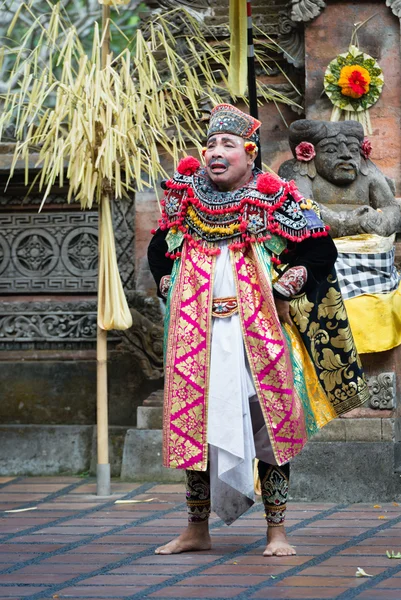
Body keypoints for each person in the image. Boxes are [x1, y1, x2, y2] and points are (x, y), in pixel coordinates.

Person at [148, 104, 368, 557]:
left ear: (249, 154)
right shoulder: (184, 196)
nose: (214, 151)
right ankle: (196, 529)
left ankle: (277, 532)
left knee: (270, 427)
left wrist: (287, 286)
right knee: (196, 426)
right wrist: (169, 283)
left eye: (227, 144)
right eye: (209, 144)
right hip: (198, 335)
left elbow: (321, 252)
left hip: (260, 332)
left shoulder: (279, 197)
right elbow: (158, 249)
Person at [279, 119, 401, 354]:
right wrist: (347, 223)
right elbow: (302, 209)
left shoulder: (368, 169)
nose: (346, 155)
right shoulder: (296, 169)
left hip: (373, 263)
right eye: (332, 150)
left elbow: (392, 209)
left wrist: (380, 222)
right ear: (309, 155)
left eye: (353, 149)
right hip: (324, 257)